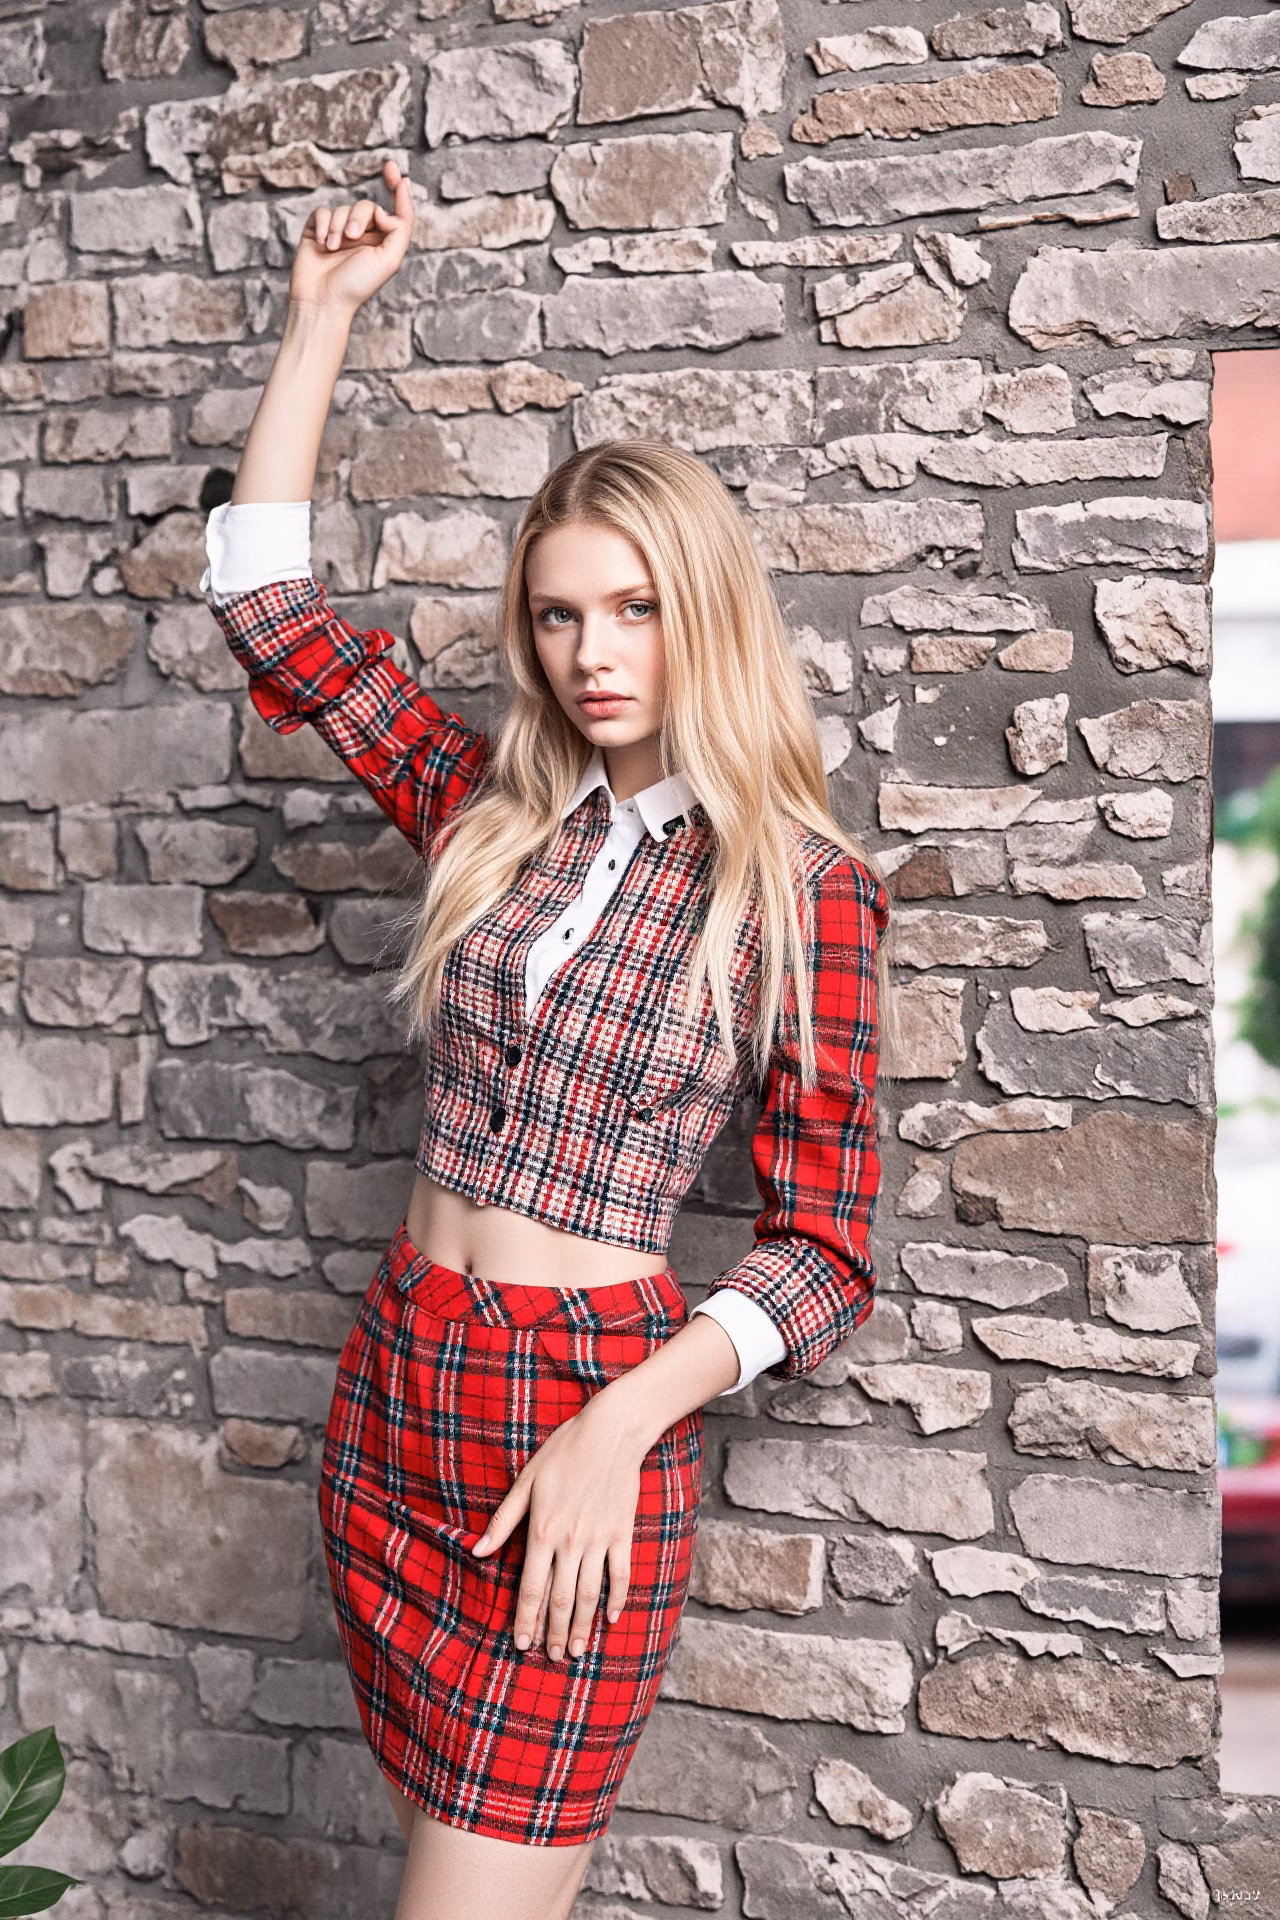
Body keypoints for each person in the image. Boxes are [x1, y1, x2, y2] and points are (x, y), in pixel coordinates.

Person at [200, 157, 889, 1920]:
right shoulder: (486, 812)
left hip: (579, 1419)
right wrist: (320, 318)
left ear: (704, 610)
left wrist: (618, 1427)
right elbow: (270, 614)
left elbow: (822, 1252)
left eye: (638, 607)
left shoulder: (797, 886)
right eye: (563, 611)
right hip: (399, 1387)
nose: (596, 650)